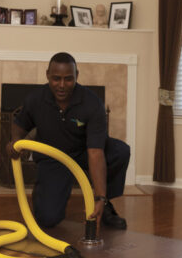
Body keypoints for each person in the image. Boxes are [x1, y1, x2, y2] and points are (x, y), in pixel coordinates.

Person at [7, 52, 129, 230]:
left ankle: (104, 205)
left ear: (76, 76)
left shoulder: (91, 103)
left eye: (68, 79)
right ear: (47, 75)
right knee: (47, 219)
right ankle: (47, 193)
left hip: (83, 153)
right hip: (52, 158)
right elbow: (19, 124)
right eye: (56, 78)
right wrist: (15, 141)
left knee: (120, 151)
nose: (62, 85)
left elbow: (95, 152)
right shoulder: (36, 99)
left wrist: (100, 196)